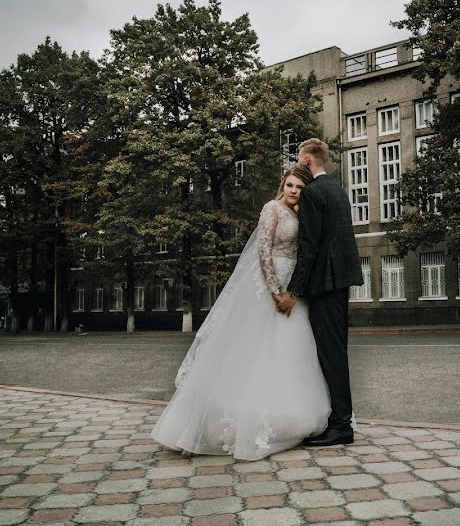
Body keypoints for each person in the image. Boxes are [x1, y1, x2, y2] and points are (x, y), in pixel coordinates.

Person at [150, 165, 331, 460]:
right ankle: (221, 421)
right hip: (268, 288)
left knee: (289, 351)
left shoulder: (301, 215)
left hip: (292, 289)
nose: (294, 191)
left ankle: (287, 414)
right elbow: (263, 250)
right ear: (282, 185)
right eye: (290, 186)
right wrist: (275, 292)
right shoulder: (271, 208)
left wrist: (292, 292)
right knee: (251, 350)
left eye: (300, 187)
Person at [275, 138, 364, 447]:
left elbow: (309, 248)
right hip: (341, 282)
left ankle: (341, 425)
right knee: (336, 350)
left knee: (330, 355)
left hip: (324, 284)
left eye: (301, 160)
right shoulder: (339, 190)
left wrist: (292, 292)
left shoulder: (312, 193)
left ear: (308, 160)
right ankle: (341, 419)